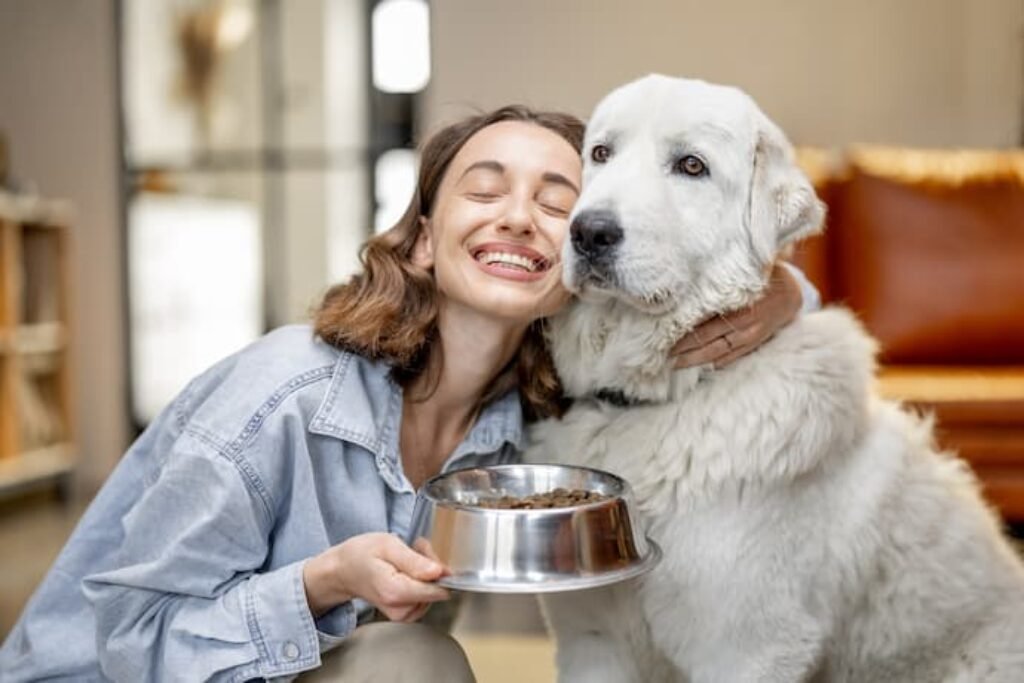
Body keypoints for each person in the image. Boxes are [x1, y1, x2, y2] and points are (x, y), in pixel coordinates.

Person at [0, 105, 816, 682]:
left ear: (582, 265)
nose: (521, 219)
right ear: (424, 238)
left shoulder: (534, 425)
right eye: (485, 190)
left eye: (557, 204)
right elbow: (128, 639)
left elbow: (692, 273)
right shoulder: (283, 393)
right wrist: (323, 580)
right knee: (411, 661)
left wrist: (786, 292)